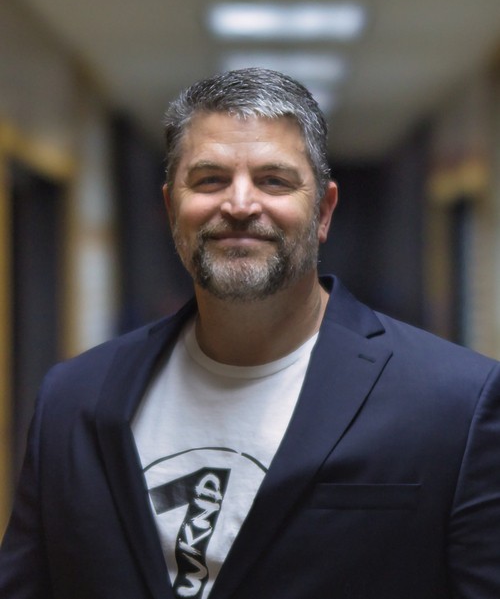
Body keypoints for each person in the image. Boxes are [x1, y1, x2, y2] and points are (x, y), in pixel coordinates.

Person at [1, 67, 499, 599]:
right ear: (171, 209)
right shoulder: (72, 399)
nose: (239, 205)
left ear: (323, 211)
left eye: (274, 180)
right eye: (209, 179)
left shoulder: (455, 402)